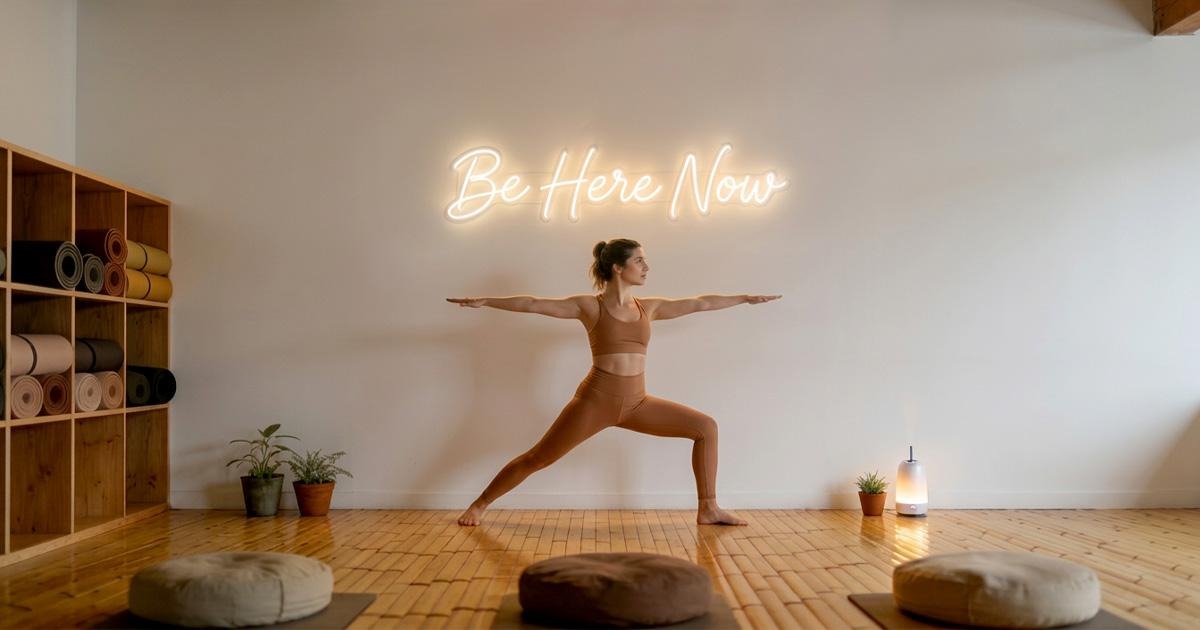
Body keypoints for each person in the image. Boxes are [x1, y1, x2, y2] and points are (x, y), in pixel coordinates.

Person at [446, 238, 781, 526]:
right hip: (595, 401)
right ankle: (480, 504)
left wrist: (743, 298)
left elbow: (700, 302)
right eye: (639, 261)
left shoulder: (648, 308)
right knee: (538, 458)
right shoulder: (588, 306)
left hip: (637, 403)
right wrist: (487, 301)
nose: (647, 267)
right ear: (619, 268)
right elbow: (533, 304)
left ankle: (708, 508)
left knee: (705, 427)